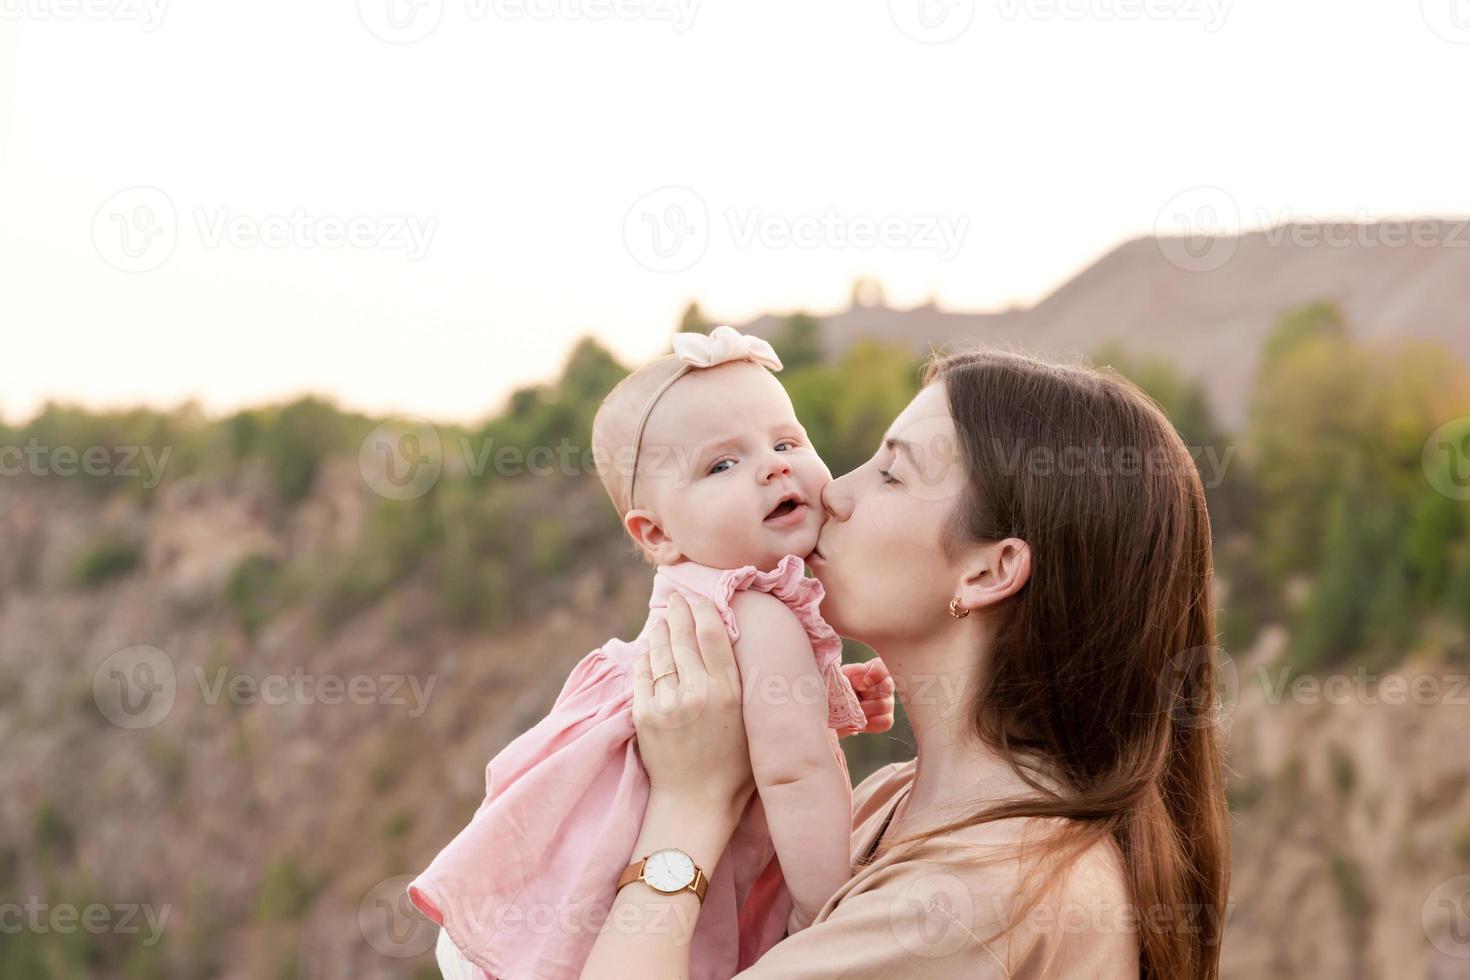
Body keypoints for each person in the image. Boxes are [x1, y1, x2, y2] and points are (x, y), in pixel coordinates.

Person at [582, 348, 1232, 979]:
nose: (832, 492)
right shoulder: (895, 805)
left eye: (891, 474)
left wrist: (686, 806)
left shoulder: (972, 899)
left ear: (989, 570)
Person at [408, 326, 897, 980]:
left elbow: (758, 721)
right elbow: (794, 775)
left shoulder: (700, 596)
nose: (774, 465)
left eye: (786, 441)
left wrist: (824, 692)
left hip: (547, 912)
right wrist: (827, 914)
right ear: (658, 533)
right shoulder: (758, 611)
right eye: (722, 464)